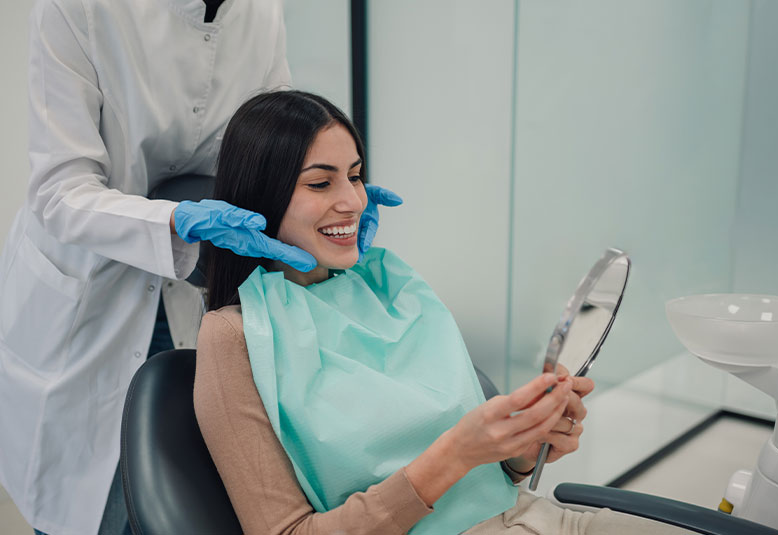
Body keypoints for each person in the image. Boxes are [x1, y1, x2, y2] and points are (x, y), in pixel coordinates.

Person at [194, 90, 691, 534]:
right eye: (320, 184)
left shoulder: (391, 286)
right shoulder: (235, 336)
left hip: (527, 517)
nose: (352, 201)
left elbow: (488, 481)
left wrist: (522, 447)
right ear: (260, 197)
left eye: (356, 176)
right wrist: (456, 453)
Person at [0, 1, 398, 534]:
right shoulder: (77, 8)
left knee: (189, 494)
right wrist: (176, 220)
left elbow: (272, 144)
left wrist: (325, 198)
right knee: (89, 508)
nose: (350, 195)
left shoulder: (260, 12)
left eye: (355, 177)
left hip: (203, 288)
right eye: (334, 181)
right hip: (90, 290)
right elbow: (59, 190)